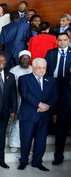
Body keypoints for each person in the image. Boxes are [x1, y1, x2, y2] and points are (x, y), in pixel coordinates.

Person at [17, 58, 58, 171]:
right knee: (26, 139)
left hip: (44, 115)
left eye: (43, 68)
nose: (41, 70)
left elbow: (55, 95)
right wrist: (39, 104)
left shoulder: (51, 80)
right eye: (39, 68)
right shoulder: (24, 79)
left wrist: (46, 106)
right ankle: (23, 161)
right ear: (33, 68)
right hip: (28, 115)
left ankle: (37, 162)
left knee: (41, 140)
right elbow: (24, 94)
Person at [45, 33, 70, 165]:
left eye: (64, 40)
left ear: (68, 40)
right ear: (56, 41)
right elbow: (47, 69)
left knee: (62, 121)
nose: (62, 42)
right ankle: (58, 156)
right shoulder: (51, 52)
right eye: (59, 40)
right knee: (56, 117)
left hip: (68, 86)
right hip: (53, 84)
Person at [7, 51, 33, 151]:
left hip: (29, 100)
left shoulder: (32, 69)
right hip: (17, 98)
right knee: (16, 121)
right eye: (23, 58)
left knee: (27, 123)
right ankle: (14, 143)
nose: (25, 60)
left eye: (27, 58)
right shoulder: (13, 70)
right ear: (19, 59)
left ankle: (26, 144)